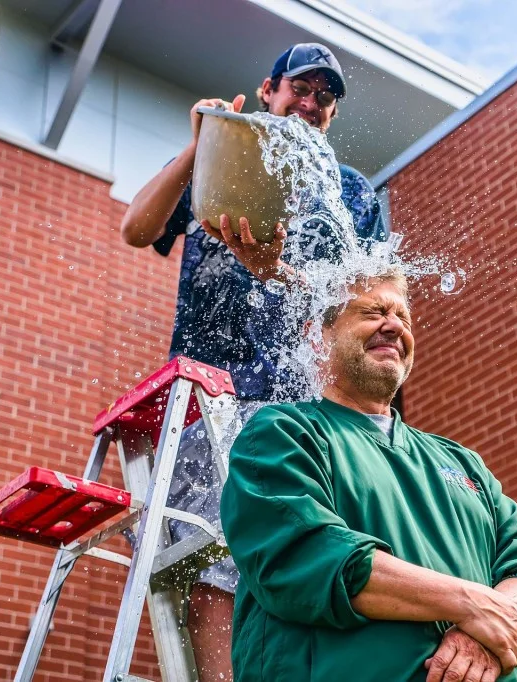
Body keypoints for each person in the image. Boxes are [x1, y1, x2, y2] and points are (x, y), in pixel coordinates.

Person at [119, 43, 387, 680]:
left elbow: (365, 298)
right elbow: (135, 227)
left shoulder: (349, 191)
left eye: (326, 97)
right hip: (210, 391)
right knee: (214, 553)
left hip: (300, 399)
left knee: (305, 555)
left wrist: (280, 273)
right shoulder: (228, 148)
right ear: (269, 89)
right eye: (302, 87)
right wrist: (197, 145)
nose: (312, 103)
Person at [221, 271, 517, 682]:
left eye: (404, 317)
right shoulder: (284, 433)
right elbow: (305, 555)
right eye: (372, 312)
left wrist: (481, 636)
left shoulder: (464, 462)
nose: (395, 325)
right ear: (317, 338)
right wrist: (469, 603)